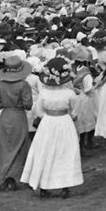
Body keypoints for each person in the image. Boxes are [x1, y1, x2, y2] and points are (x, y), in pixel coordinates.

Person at [20, 57, 84, 198]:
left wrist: (48, 117)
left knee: (45, 152)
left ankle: (44, 185)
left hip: (48, 123)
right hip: (64, 122)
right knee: (65, 152)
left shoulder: (44, 93)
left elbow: (39, 112)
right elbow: (74, 112)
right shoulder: (70, 93)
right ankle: (64, 185)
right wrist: (69, 116)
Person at [0, 54, 33, 192]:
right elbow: (28, 105)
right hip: (18, 116)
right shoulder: (24, 85)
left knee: (3, 148)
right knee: (19, 147)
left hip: (4, 116)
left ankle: (6, 178)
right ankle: (14, 178)